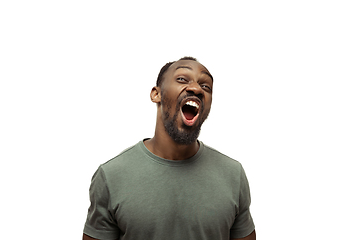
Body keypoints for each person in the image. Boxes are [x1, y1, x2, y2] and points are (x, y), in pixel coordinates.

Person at [83, 57, 256, 240]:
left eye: (206, 86)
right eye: (182, 79)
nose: (196, 89)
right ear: (156, 94)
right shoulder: (111, 176)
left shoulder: (233, 175)